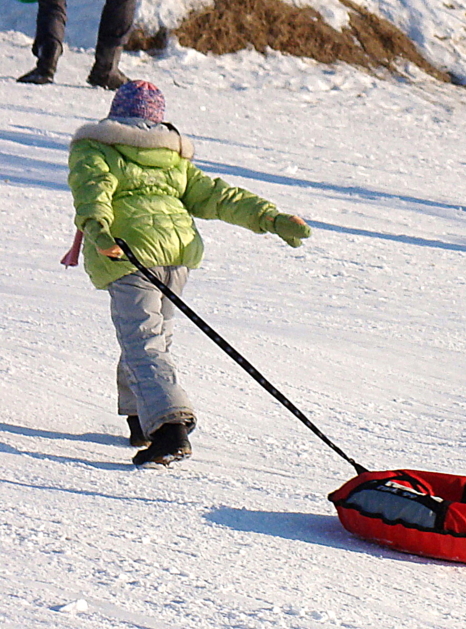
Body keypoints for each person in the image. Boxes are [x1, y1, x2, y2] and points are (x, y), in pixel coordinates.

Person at [68, 80, 312, 466]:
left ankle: (169, 429)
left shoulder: (97, 146)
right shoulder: (173, 158)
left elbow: (92, 190)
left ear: (116, 114)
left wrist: (98, 228)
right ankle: (140, 417)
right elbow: (219, 196)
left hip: (128, 252)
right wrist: (271, 218)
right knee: (151, 337)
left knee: (143, 340)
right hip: (177, 257)